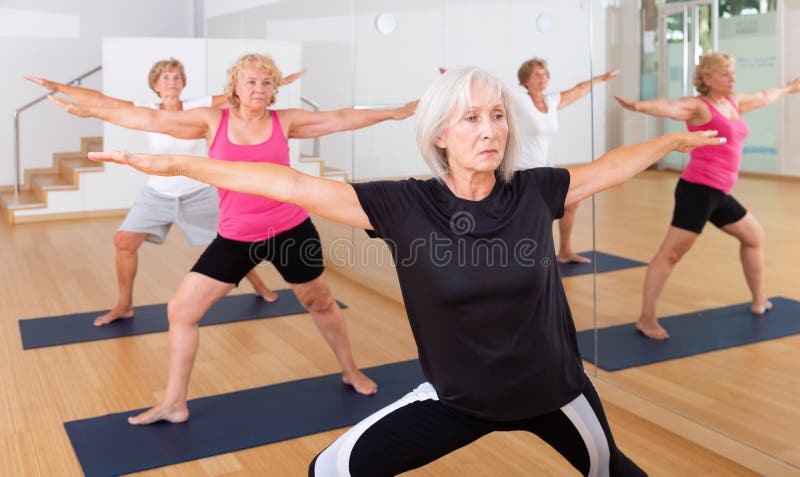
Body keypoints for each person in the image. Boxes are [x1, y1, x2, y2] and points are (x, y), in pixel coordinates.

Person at [87, 66, 723, 475]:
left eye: (498, 115)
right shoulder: (402, 204)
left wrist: (670, 143)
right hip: (455, 399)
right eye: (471, 117)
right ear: (440, 136)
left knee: (616, 474)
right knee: (328, 472)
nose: (490, 129)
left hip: (554, 392)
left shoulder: (537, 190)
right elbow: (284, 179)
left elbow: (611, 166)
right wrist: (179, 167)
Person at [50, 53, 418, 423]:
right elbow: (151, 118)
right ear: (235, 87)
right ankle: (175, 403)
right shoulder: (212, 120)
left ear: (275, 88)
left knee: (320, 303)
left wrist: (394, 113)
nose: (259, 89)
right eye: (251, 82)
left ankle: (350, 369)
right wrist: (95, 112)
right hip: (236, 236)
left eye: (266, 82)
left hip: (290, 230)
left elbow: (339, 118)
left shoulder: (284, 120)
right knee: (181, 311)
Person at [24, 58, 305, 325]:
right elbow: (101, 101)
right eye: (166, 77)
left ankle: (259, 286)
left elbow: (243, 94)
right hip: (157, 194)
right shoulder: (146, 108)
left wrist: (276, 81)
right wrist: (58, 86)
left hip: (199, 192)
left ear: (183, 83)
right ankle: (124, 305)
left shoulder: (199, 106)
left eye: (177, 77)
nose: (172, 81)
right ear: (155, 84)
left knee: (232, 242)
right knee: (124, 241)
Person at [615, 52, 800, 340]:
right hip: (698, 191)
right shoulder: (698, 107)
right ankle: (646, 318)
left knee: (754, 236)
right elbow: (670, 106)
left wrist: (789, 88)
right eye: (725, 73)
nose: (732, 78)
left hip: (720, 192)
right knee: (671, 253)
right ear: (707, 79)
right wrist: (639, 106)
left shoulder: (733, 103)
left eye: (732, 72)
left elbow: (764, 95)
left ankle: (759, 300)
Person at [514, 58, 619, 264]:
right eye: (536, 74)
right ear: (525, 79)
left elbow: (578, 90)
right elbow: (487, 92)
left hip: (544, 168)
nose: (542, 78)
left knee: (571, 202)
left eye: (544, 73)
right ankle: (525, 258)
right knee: (532, 216)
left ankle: (565, 251)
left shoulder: (552, 101)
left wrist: (602, 78)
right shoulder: (518, 100)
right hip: (521, 171)